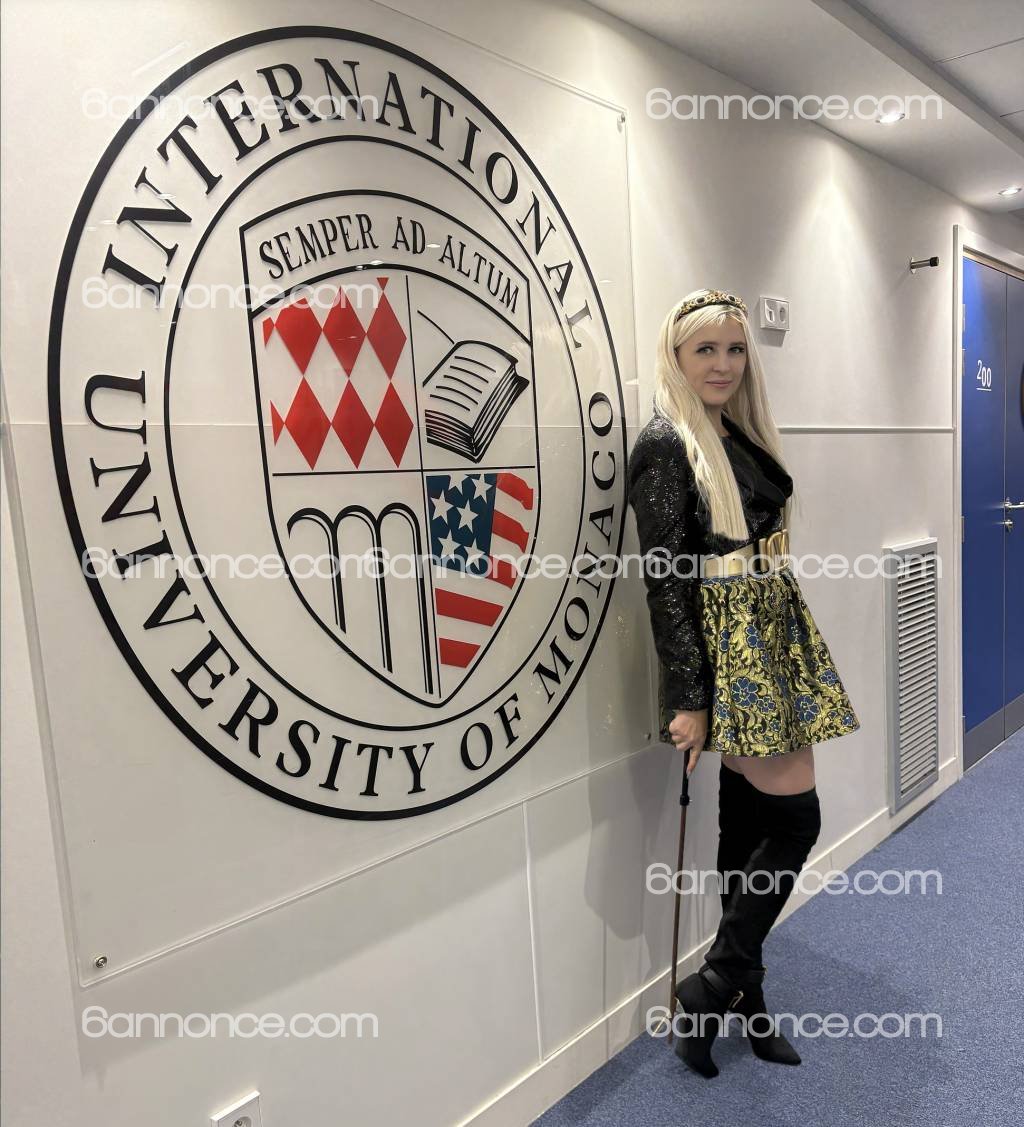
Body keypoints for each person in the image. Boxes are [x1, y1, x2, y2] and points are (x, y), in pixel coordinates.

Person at [627, 288, 860, 1078]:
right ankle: (714, 983)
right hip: (731, 644)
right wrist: (688, 698)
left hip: (771, 625)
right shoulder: (666, 443)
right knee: (797, 819)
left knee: (748, 821)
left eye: (734, 349)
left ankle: (740, 995)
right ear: (676, 356)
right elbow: (665, 581)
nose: (723, 364)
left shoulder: (738, 430)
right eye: (706, 350)